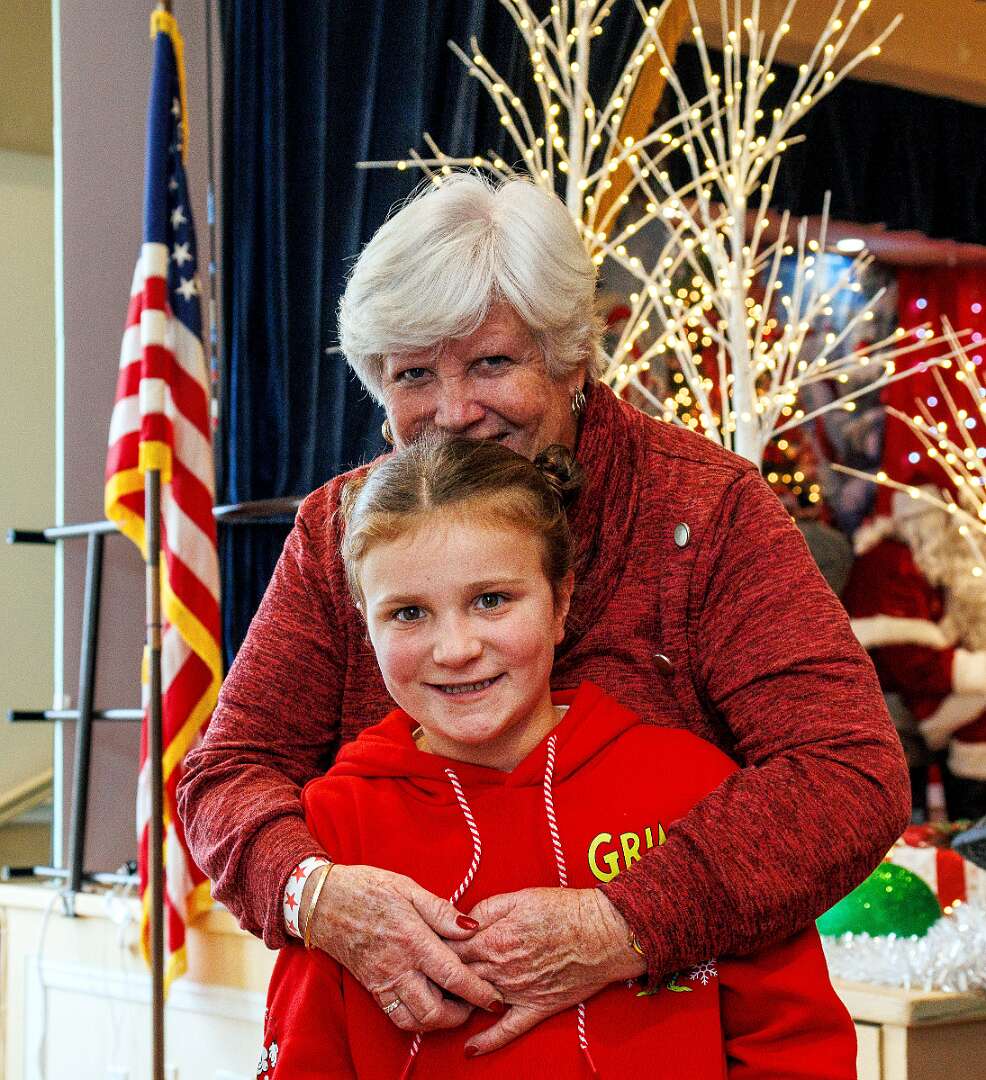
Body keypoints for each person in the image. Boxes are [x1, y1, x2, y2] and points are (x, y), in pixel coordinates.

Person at [178, 173, 909, 1055]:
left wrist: (624, 922)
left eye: (492, 363)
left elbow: (848, 773)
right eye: (415, 375)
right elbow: (225, 774)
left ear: (572, 357)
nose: (455, 413)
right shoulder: (341, 531)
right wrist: (318, 897)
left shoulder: (703, 512)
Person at [260, 435, 857, 1077]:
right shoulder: (332, 833)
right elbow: (303, 1060)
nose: (455, 649)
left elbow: (796, 1048)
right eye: (408, 613)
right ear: (364, 624)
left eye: (491, 600)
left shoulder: (693, 783)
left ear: (561, 602)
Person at [845, 483, 986, 820]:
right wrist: (973, 671)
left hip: (916, 705)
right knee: (897, 812)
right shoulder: (893, 564)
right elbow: (911, 662)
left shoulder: (921, 561)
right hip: (887, 709)